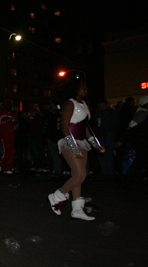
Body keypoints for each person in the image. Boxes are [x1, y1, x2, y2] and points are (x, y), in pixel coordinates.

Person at [47, 74, 105, 221]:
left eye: (86, 87)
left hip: (81, 142)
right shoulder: (69, 103)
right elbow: (65, 127)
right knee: (80, 175)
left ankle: (77, 209)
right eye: (82, 87)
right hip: (68, 142)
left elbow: (84, 126)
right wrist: (73, 148)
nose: (86, 89)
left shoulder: (84, 104)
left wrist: (95, 144)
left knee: (77, 176)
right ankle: (57, 195)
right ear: (75, 89)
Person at [91, 98, 119, 178]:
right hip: (100, 135)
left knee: (109, 153)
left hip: (108, 135)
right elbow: (94, 122)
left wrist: (112, 132)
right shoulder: (98, 113)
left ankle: (109, 171)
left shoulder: (111, 112)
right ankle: (104, 171)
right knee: (101, 153)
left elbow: (116, 124)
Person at [0, 99, 18, 174]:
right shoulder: (1, 114)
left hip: (11, 135)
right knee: (6, 151)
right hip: (4, 135)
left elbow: (16, 126)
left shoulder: (12, 115)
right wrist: (6, 122)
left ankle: (8, 167)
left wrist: (15, 123)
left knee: (11, 152)